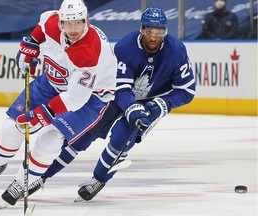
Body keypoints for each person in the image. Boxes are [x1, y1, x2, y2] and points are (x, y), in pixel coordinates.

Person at [28, 7, 196, 202]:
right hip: (117, 96)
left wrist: (161, 104)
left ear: (165, 32)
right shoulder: (126, 47)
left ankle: (99, 179)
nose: (153, 37)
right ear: (141, 29)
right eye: (149, 31)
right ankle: (42, 176)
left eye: (158, 32)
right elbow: (121, 88)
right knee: (82, 135)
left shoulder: (176, 51)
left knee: (122, 139)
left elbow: (187, 91)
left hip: (151, 103)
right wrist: (131, 106)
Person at [0, 0, 117, 206]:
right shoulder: (51, 21)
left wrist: (43, 113)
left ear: (86, 20)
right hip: (53, 81)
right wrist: (31, 43)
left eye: (79, 23)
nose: (74, 29)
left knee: (49, 139)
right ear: (61, 22)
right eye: (69, 23)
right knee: (11, 127)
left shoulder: (89, 50)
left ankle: (22, 182)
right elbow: (41, 27)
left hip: (92, 97)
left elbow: (76, 98)